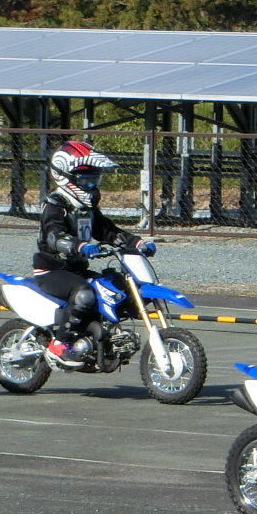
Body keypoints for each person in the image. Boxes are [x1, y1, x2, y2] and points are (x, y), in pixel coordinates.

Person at [31, 139, 153, 362]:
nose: (90, 185)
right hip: (51, 270)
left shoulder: (86, 208)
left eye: (93, 178)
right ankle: (60, 343)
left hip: (77, 269)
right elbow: (53, 234)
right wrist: (79, 246)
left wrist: (136, 242)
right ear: (64, 175)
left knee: (118, 288)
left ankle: (103, 337)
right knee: (85, 295)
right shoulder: (56, 204)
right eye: (85, 179)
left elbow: (107, 230)